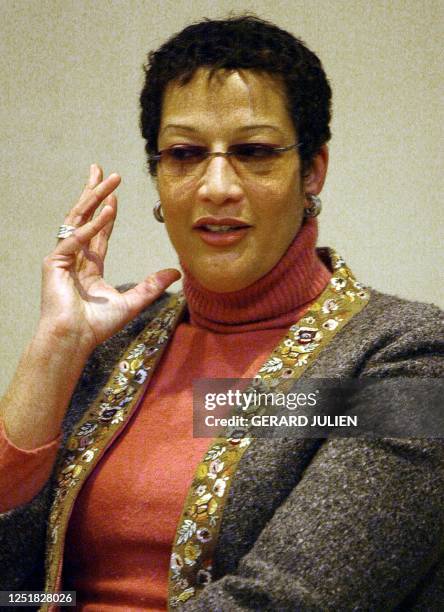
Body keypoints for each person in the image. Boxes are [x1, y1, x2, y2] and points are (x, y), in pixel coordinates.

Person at [0, 14, 443, 612]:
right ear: (158, 175)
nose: (216, 187)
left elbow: (287, 600)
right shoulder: (111, 337)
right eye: (184, 153)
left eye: (253, 152)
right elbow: (18, 586)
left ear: (312, 170)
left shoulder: (405, 358)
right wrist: (53, 350)